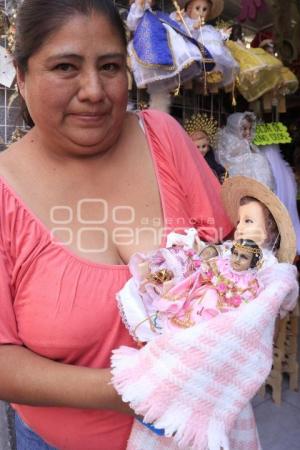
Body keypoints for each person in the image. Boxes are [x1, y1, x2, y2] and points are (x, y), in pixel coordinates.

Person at [0, 1, 233, 449]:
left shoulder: (162, 137)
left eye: (109, 66)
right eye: (65, 66)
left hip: (195, 435)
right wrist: (142, 389)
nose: (93, 90)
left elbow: (223, 259)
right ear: (22, 74)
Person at [111, 175, 298, 450]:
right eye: (240, 221)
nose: (241, 228)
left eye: (249, 221)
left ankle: (181, 398)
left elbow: (266, 298)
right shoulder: (230, 249)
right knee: (182, 306)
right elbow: (212, 262)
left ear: (269, 230)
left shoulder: (266, 265)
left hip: (225, 318)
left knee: (198, 332)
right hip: (205, 303)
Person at [117, 238, 263, 342]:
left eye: (243, 257)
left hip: (225, 308)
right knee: (202, 299)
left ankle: (204, 330)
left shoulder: (250, 281)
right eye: (235, 254)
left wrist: (228, 295)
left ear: (252, 262)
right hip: (201, 296)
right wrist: (207, 275)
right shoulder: (221, 264)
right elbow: (203, 271)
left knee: (211, 301)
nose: (237, 259)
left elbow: (246, 301)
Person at [126, 0, 215, 111]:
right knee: (157, 89)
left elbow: (179, 30)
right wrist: (139, 5)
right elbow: (132, 23)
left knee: (160, 90)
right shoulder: (140, 11)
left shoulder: (160, 15)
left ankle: (159, 111)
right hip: (147, 47)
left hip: (164, 50)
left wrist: (180, 22)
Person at [171, 0, 239, 93]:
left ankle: (211, 80)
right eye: (197, 8)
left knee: (215, 56)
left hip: (204, 52)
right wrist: (193, 27)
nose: (201, 12)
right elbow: (182, 33)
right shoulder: (185, 22)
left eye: (205, 9)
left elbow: (216, 38)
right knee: (190, 63)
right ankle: (189, 82)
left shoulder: (208, 28)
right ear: (189, 9)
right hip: (191, 49)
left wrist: (223, 34)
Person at [214, 111, 275, 189]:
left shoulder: (247, 143)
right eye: (244, 129)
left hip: (251, 182)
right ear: (234, 128)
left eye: (249, 128)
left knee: (260, 159)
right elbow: (226, 159)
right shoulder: (226, 142)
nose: (248, 132)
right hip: (234, 180)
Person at [184, 112, 226, 182]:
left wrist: (222, 174)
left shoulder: (209, 156)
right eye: (197, 147)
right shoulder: (189, 159)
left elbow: (216, 167)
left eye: (204, 146)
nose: (201, 150)